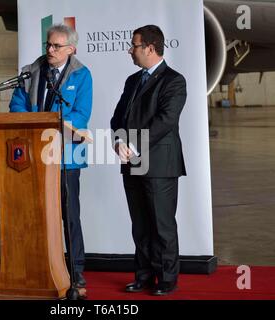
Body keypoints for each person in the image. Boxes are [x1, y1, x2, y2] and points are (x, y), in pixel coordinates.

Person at [9, 24, 93, 290]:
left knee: (69, 216)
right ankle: (41, 266)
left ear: (71, 49)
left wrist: (53, 125)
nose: (50, 50)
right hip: (35, 155)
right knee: (38, 215)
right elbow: (16, 105)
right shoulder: (31, 72)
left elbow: (81, 114)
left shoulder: (81, 75)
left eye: (56, 46)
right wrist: (35, 123)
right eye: (48, 44)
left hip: (67, 157)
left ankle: (76, 272)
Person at [110, 25, 187, 296]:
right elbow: (118, 117)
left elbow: (165, 121)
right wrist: (119, 141)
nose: (130, 50)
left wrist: (131, 145)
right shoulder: (133, 80)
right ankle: (143, 276)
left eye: (134, 45)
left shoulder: (174, 81)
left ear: (151, 48)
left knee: (162, 225)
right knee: (140, 225)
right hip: (131, 161)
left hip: (159, 164)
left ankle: (167, 279)